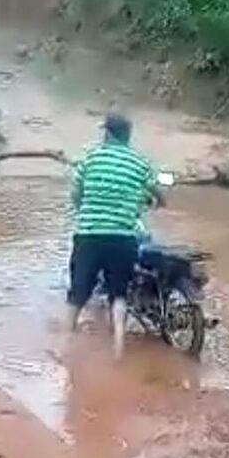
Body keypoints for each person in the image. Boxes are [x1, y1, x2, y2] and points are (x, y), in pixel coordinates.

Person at [67, 113, 164, 356]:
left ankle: (64, 349)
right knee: (119, 294)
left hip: (89, 235)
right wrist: (158, 201)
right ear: (128, 136)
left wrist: (85, 211)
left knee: (77, 294)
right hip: (123, 238)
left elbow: (75, 194)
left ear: (107, 133)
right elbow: (157, 193)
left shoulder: (91, 157)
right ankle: (118, 347)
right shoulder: (139, 163)